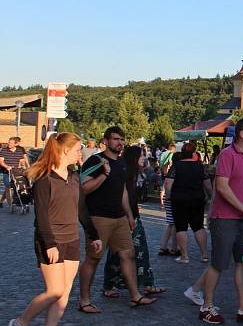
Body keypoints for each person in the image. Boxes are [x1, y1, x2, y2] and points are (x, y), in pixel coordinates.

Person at [7, 133, 98, 326]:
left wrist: (93, 234)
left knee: (65, 291)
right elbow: (42, 216)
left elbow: (81, 209)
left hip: (72, 239)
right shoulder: (45, 179)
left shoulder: (74, 176)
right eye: (78, 148)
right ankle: (20, 323)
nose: (80, 153)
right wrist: (49, 244)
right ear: (65, 150)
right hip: (51, 240)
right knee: (55, 290)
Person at [193, 118, 243, 324]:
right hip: (224, 219)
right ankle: (206, 307)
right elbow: (222, 187)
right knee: (218, 264)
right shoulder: (227, 155)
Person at [78, 126, 156, 313]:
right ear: (105, 141)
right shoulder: (95, 161)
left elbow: (122, 192)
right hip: (99, 217)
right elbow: (84, 188)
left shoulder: (121, 163)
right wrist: (104, 174)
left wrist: (129, 216)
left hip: (119, 218)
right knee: (93, 259)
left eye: (122, 139)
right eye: (115, 139)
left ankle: (135, 296)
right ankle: (84, 300)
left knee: (127, 255)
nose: (119, 143)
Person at [102, 145, 165, 296]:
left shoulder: (138, 173)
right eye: (142, 156)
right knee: (118, 252)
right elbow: (124, 198)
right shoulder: (126, 174)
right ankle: (110, 285)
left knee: (140, 250)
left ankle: (146, 283)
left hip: (133, 216)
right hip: (123, 217)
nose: (144, 158)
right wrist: (129, 217)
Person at [165, 141, 212, 264]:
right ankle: (204, 255)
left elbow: (168, 183)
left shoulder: (176, 166)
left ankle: (184, 256)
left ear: (182, 153)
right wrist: (211, 196)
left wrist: (169, 195)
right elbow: (207, 183)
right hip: (197, 198)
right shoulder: (200, 166)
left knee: (181, 227)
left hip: (179, 199)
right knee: (198, 227)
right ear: (193, 153)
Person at [1, 137, 29, 209]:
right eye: (8, 142)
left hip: (16, 172)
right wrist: (7, 166)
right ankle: (10, 205)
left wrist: (23, 165)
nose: (8, 144)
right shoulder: (4, 150)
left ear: (15, 144)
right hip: (6, 172)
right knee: (8, 187)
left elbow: (22, 160)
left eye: (10, 143)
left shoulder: (19, 151)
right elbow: (1, 161)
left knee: (18, 187)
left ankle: (18, 201)